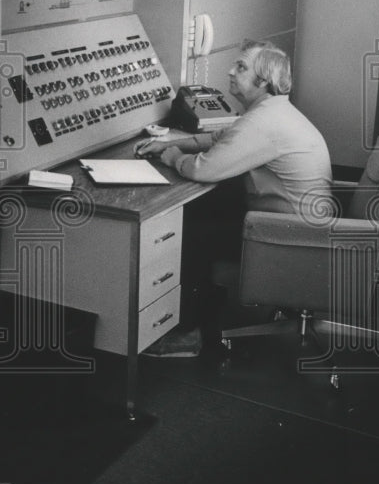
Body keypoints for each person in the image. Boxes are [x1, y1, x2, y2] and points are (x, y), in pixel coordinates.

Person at [135, 39, 333, 356]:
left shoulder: (264, 122)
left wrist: (172, 157)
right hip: (304, 229)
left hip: (288, 239)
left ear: (263, 81)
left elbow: (203, 169)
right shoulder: (273, 111)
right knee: (206, 210)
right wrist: (171, 144)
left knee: (192, 234)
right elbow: (221, 137)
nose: (230, 71)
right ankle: (206, 313)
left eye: (241, 67)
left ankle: (190, 334)